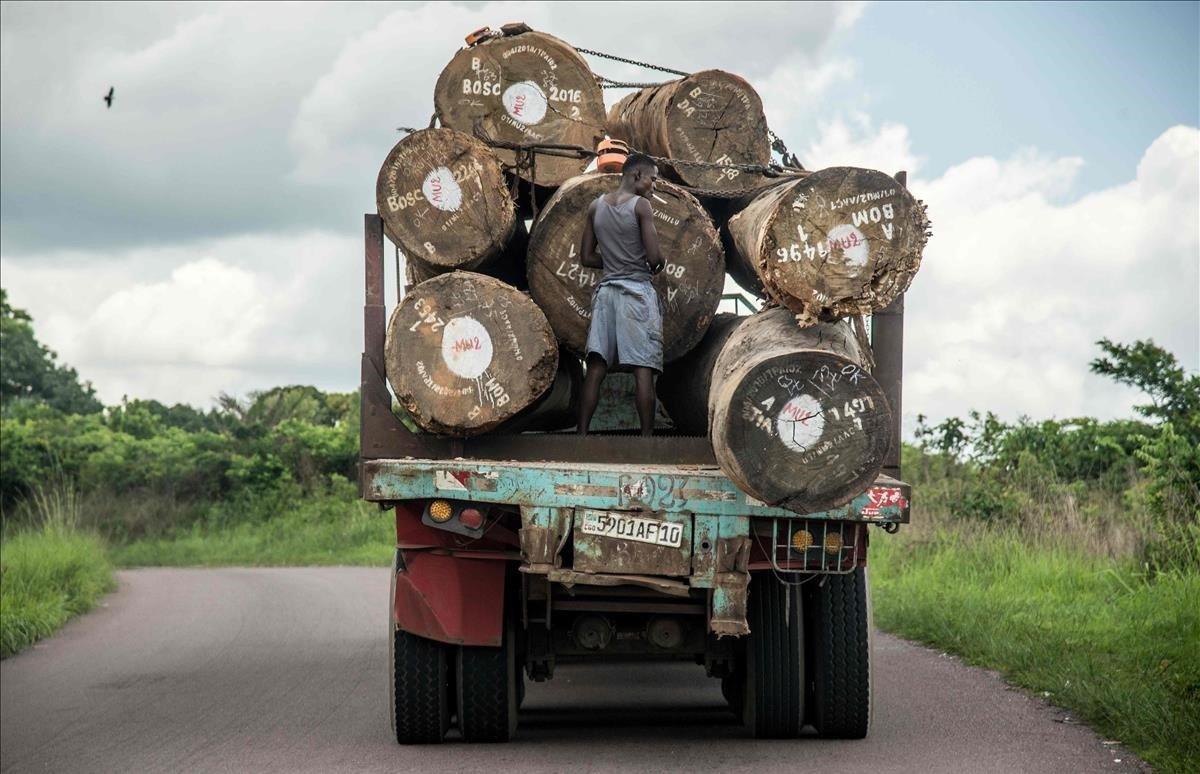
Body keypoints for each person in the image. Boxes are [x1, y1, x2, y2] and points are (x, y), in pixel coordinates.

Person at [576, 152, 665, 436]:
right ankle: (647, 440)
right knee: (643, 368)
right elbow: (653, 258)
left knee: (596, 367)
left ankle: (580, 435)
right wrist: (656, 262)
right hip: (636, 293)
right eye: (652, 179)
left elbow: (587, 257)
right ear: (637, 175)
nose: (654, 186)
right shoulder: (641, 206)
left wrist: (614, 261)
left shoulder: (596, 206)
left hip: (606, 295)